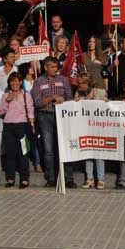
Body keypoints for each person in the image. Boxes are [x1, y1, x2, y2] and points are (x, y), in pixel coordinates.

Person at [31, 57, 74, 188]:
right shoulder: (38, 81)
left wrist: (63, 101)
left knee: (64, 148)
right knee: (48, 149)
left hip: (62, 116)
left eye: (56, 67)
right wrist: (52, 98)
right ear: (46, 67)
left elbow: (70, 98)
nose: (55, 69)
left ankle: (68, 179)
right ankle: (51, 178)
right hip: (45, 116)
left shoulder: (63, 80)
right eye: (52, 67)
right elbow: (37, 103)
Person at [0, 73, 35, 189]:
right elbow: (0, 111)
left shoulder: (26, 95)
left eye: (17, 81)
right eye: (12, 81)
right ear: (9, 83)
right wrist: (7, 101)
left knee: (24, 153)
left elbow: (30, 110)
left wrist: (32, 124)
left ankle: (24, 178)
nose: (15, 83)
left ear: (20, 82)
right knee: (10, 154)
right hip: (8, 126)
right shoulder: (5, 95)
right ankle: (10, 178)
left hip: (23, 126)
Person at [74, 73, 108, 190]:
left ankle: (101, 179)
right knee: (87, 153)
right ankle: (89, 179)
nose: (79, 86)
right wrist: (79, 101)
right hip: (85, 128)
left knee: (99, 153)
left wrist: (90, 100)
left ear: (88, 83)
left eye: (82, 83)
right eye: (78, 83)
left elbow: (107, 106)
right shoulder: (78, 93)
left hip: (98, 127)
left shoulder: (100, 92)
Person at [21, 65, 42, 173]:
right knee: (26, 139)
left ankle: (37, 162)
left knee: (36, 139)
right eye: (30, 67)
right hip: (24, 113)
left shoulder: (38, 81)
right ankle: (26, 160)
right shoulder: (22, 83)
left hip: (37, 113)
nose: (32, 68)